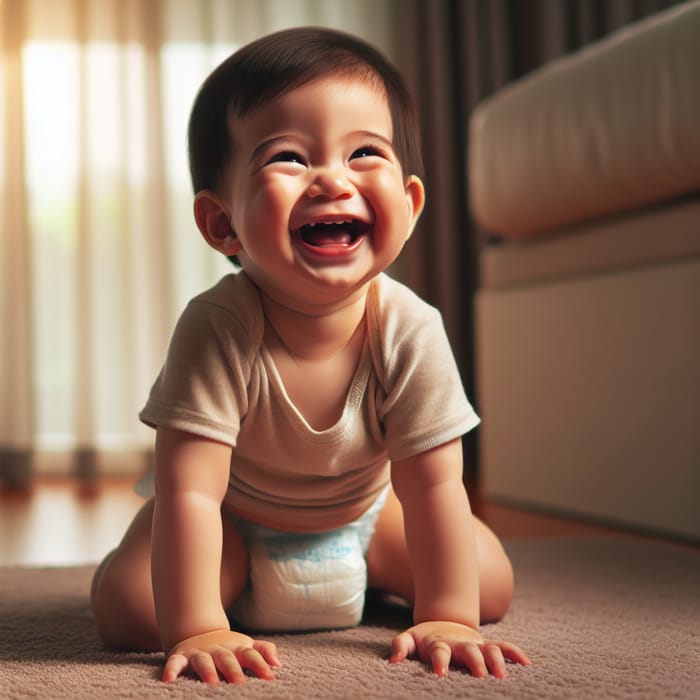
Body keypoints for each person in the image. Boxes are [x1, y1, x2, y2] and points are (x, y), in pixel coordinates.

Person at [90, 26, 531, 685]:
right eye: (289, 158)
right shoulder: (217, 328)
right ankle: (224, 599)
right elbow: (190, 490)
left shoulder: (408, 326)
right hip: (233, 525)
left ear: (409, 205)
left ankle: (381, 588)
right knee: (127, 608)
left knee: (487, 582)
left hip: (369, 520)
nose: (332, 179)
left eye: (363, 154)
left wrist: (447, 614)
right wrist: (198, 624)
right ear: (223, 223)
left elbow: (434, 483)